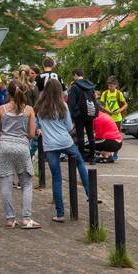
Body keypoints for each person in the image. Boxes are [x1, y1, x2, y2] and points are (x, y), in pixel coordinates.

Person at [34, 78, 91, 223]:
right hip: (65, 141)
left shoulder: (39, 106)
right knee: (80, 163)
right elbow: (68, 126)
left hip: (50, 145)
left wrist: (43, 129)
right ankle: (90, 193)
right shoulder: (62, 105)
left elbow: (36, 125)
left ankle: (60, 214)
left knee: (57, 178)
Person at [0, 80, 39, 229]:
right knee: (26, 183)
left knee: (6, 183)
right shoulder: (29, 110)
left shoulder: (1, 109)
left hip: (4, 147)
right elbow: (31, 134)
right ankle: (26, 218)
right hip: (22, 147)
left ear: (8, 93)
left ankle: (9, 219)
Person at [67, 68, 97, 160]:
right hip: (90, 113)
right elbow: (94, 100)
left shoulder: (75, 87)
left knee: (80, 137)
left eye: (73, 76)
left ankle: (81, 158)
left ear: (75, 75)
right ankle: (93, 157)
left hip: (79, 115)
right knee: (91, 135)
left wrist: (72, 116)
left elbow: (71, 103)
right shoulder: (90, 86)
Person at [99, 76, 128, 162]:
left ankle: (115, 153)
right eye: (109, 86)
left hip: (117, 118)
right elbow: (100, 105)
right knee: (106, 136)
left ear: (115, 85)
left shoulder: (119, 93)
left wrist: (119, 110)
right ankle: (108, 152)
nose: (110, 87)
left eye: (111, 86)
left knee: (116, 137)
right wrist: (106, 110)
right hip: (107, 118)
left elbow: (125, 105)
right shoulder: (105, 93)